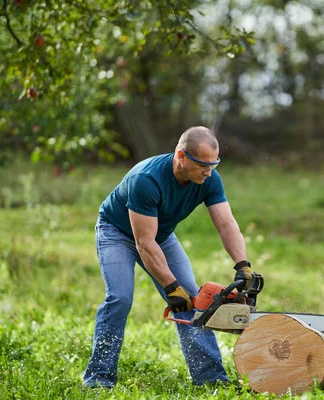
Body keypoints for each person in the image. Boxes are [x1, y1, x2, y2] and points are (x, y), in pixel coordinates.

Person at [83, 126, 253, 388]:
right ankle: (98, 379)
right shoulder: (146, 179)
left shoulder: (209, 178)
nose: (208, 172)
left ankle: (210, 380)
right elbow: (143, 243)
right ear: (181, 156)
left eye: (214, 165)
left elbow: (226, 224)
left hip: (158, 235)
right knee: (120, 297)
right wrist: (171, 286)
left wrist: (243, 265)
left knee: (193, 300)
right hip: (117, 232)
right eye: (202, 165)